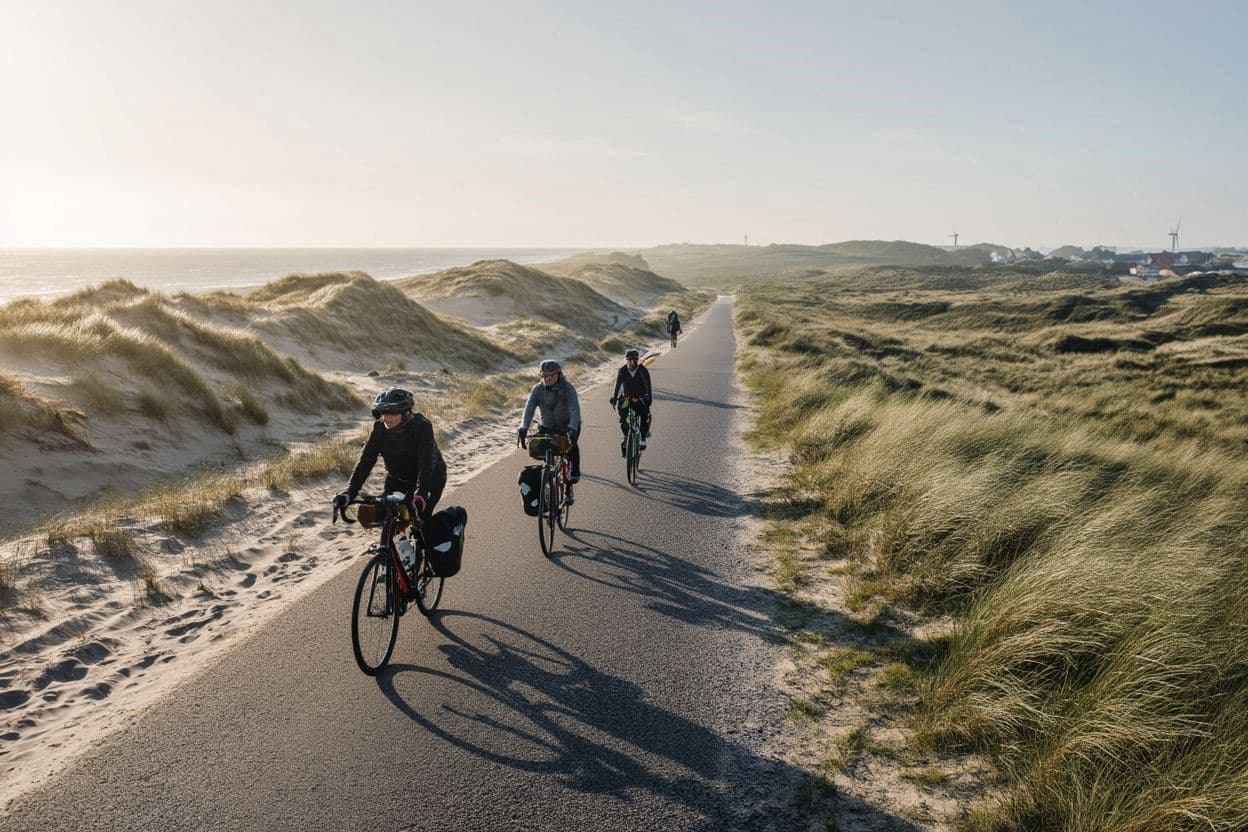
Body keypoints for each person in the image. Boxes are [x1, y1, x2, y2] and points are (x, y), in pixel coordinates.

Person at [334, 387, 447, 526]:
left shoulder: (421, 426)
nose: (387, 417)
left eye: (393, 412)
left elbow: (427, 465)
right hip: (397, 479)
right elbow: (366, 460)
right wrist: (350, 492)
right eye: (383, 412)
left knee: (418, 521)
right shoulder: (379, 428)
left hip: (430, 478)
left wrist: (421, 495)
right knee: (382, 516)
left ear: (405, 411)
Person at [517, 359, 582, 503]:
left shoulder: (568, 389)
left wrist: (572, 430)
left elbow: (574, 411)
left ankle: (570, 482)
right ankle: (548, 478)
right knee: (544, 452)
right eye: (543, 376)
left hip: (567, 426)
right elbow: (529, 409)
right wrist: (523, 427)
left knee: (571, 448)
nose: (546, 379)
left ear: (558, 374)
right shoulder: (537, 389)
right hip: (546, 427)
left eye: (550, 376)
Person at [609, 348, 652, 456]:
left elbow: (648, 385)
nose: (631, 362)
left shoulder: (642, 370)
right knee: (623, 418)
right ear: (626, 360)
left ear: (637, 360)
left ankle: (642, 437)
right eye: (629, 360)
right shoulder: (622, 370)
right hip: (627, 398)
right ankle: (625, 437)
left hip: (640, 397)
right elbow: (617, 385)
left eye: (633, 360)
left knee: (644, 414)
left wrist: (648, 398)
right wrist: (614, 398)